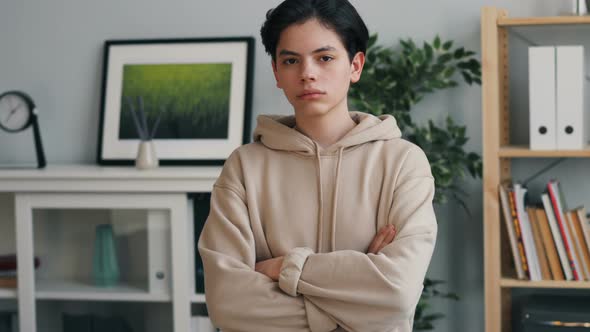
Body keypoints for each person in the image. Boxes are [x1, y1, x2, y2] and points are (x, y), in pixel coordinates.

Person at [197, 0, 437, 331]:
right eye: (291, 60)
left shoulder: (402, 163)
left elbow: (396, 294)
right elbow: (228, 304)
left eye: (324, 58)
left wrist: (284, 268)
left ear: (355, 66)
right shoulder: (244, 167)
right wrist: (357, 295)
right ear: (277, 73)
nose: (307, 73)